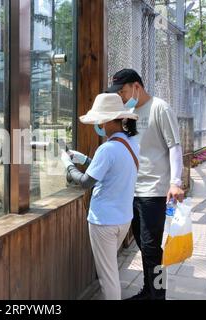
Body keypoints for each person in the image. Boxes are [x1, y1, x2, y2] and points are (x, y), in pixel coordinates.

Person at [106, 69, 185, 300]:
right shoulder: (128, 111)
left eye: (122, 91)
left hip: (154, 191)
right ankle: (149, 290)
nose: (120, 96)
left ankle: (158, 295)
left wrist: (175, 182)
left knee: (152, 249)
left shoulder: (160, 108)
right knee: (143, 246)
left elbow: (174, 146)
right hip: (132, 189)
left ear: (136, 87)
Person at [60, 93, 139, 300]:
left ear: (105, 121)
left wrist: (68, 165)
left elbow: (86, 182)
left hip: (104, 222)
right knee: (111, 269)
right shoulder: (132, 144)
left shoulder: (107, 148)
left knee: (108, 277)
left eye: (100, 121)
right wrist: (84, 159)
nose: (99, 125)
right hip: (123, 218)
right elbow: (109, 170)